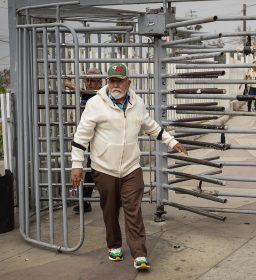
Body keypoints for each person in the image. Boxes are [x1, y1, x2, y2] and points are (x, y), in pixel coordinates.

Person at [70, 63, 187, 271]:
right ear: (108, 81)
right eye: (112, 80)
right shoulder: (95, 104)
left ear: (128, 82)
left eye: (119, 81)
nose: (115, 85)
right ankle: (114, 245)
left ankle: (140, 253)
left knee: (133, 209)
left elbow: (151, 126)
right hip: (104, 168)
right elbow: (81, 136)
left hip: (132, 167)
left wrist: (171, 141)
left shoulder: (138, 103)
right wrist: (77, 165)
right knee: (110, 209)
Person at [65, 67, 103, 214]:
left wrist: (69, 84)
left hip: (99, 137)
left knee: (94, 167)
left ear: (100, 83)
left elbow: (82, 91)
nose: (89, 83)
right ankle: (85, 201)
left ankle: (89, 200)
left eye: (93, 80)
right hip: (89, 135)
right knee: (91, 167)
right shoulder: (88, 94)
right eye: (87, 80)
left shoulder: (98, 95)